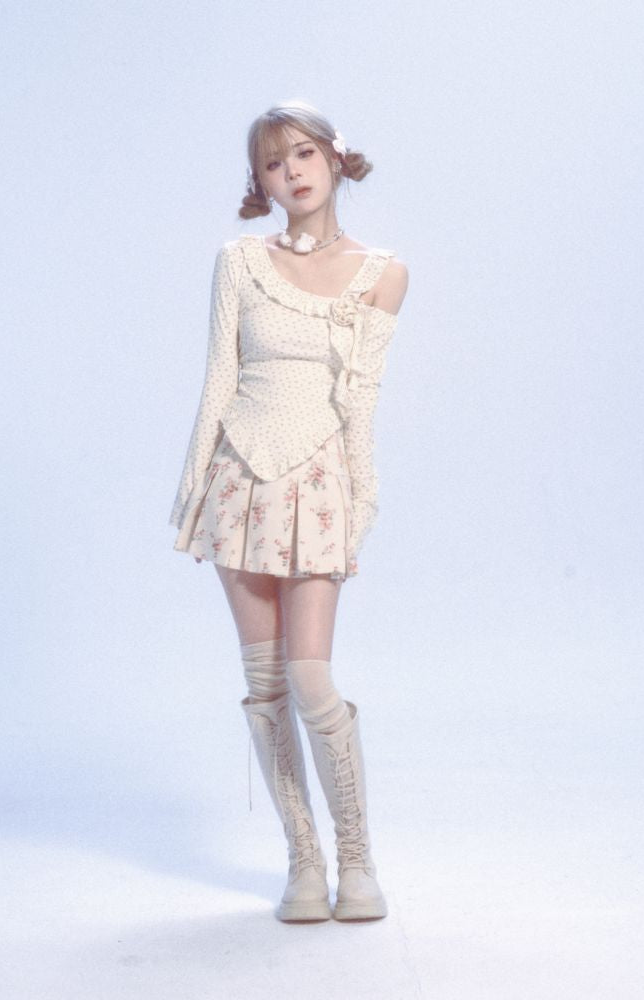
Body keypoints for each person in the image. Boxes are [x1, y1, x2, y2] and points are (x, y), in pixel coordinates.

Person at [169, 100, 409, 922]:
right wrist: (192, 491)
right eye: (273, 163)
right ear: (260, 182)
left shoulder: (382, 274)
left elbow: (361, 403)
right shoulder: (239, 261)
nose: (292, 172)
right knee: (265, 683)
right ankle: (303, 862)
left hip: (318, 487)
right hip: (239, 483)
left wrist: (361, 500)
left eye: (303, 153)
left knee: (311, 676)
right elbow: (217, 380)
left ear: (335, 158)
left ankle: (358, 861)